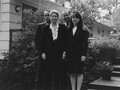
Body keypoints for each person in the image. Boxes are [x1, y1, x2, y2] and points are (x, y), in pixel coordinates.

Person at [40, 10, 67, 90]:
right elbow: (42, 42)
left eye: (55, 16)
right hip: (48, 55)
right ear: (50, 17)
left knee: (58, 74)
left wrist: (64, 52)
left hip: (59, 54)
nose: (54, 18)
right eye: (52, 16)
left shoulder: (62, 27)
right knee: (48, 74)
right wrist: (42, 53)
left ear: (58, 17)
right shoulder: (45, 28)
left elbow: (65, 41)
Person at [66, 11, 89, 90]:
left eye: (76, 17)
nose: (74, 19)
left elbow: (85, 43)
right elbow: (66, 43)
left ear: (79, 19)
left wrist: (84, 54)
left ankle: (78, 89)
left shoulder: (83, 29)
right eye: (73, 17)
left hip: (79, 54)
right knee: (72, 72)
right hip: (70, 55)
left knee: (79, 72)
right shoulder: (68, 29)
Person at [34, 9, 50, 89]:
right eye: (45, 15)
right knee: (40, 71)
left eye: (48, 15)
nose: (47, 17)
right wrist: (41, 52)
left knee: (48, 72)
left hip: (51, 53)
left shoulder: (54, 26)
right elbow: (37, 40)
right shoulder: (40, 26)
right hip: (42, 53)